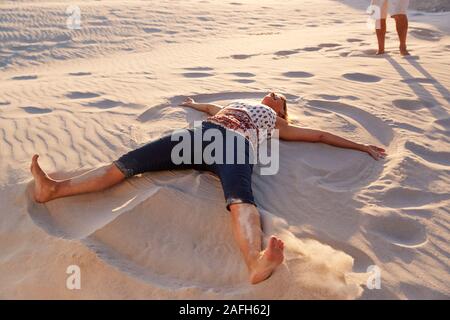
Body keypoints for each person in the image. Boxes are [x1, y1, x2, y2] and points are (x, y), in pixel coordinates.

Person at [30, 92, 387, 284]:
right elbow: (210, 107)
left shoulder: (274, 122)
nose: (275, 95)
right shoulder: (238, 104)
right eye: (274, 95)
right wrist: (193, 104)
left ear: (282, 112)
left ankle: (254, 262)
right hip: (198, 137)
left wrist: (362, 147)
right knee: (129, 164)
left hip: (234, 145)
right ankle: (54, 190)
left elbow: (320, 135)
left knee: (240, 197)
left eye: (281, 99)